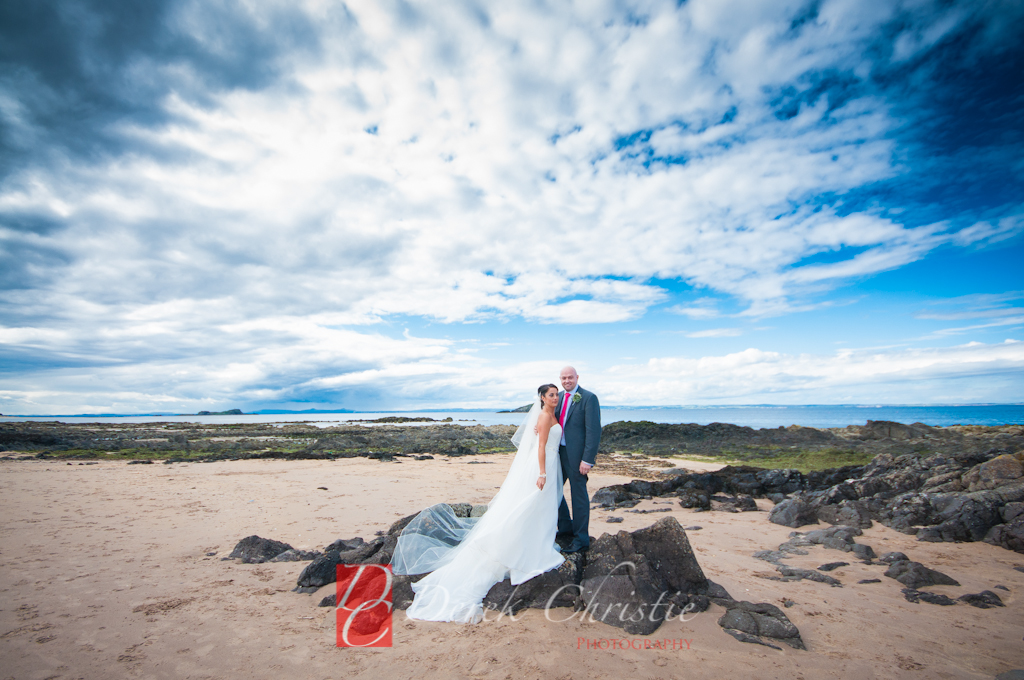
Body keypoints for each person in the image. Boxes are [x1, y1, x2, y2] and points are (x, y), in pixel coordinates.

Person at [390, 384, 566, 623]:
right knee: (531, 506)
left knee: (541, 508)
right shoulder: (545, 416)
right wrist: (543, 473)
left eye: (556, 394)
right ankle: (528, 547)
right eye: (551, 395)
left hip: (550, 465)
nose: (555, 398)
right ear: (542, 398)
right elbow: (542, 446)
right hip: (542, 467)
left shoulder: (551, 414)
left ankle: (538, 540)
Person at [555, 366, 601, 553]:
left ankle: (581, 538)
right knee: (554, 491)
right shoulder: (556, 397)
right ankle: (565, 527)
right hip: (557, 453)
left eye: (570, 377)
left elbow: (594, 431)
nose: (567, 381)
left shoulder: (588, 398)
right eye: (564, 378)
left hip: (577, 457)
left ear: (577, 377)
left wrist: (587, 459)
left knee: (578, 495)